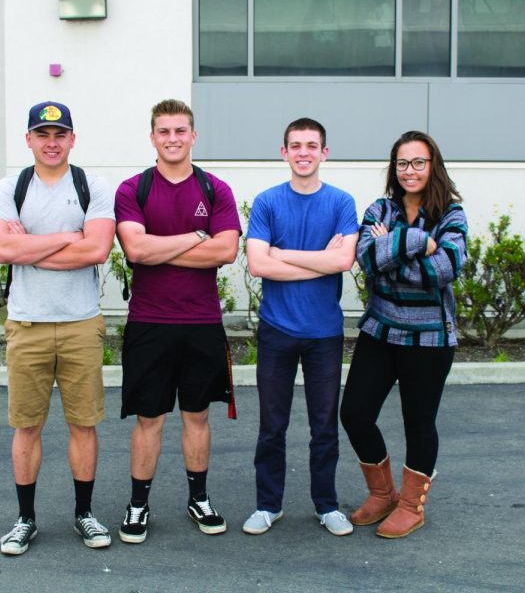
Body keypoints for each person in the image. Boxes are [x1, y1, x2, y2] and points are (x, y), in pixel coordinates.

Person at [0, 101, 116, 553]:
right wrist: (67, 236)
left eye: (60, 134)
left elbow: (97, 250)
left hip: (80, 323)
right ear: (28, 140)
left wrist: (30, 245)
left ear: (72, 139)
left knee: (84, 424)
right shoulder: (11, 187)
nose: (51, 142)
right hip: (27, 324)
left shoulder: (92, 186)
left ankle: (85, 514)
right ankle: (26, 519)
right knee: (27, 427)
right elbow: (3, 250)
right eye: (42, 134)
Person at [114, 99, 241, 544]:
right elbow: (136, 251)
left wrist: (160, 246)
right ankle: (137, 505)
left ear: (193, 136)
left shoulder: (215, 189)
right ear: (153, 137)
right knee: (149, 419)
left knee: (197, 416)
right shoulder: (134, 189)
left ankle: (199, 499)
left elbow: (225, 251)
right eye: (164, 131)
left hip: (202, 323)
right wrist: (193, 238)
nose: (172, 139)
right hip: (150, 322)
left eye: (180, 131)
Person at [340, 130, 467, 538]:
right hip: (381, 331)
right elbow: (366, 259)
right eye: (402, 163)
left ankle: (412, 505)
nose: (409, 171)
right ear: (393, 168)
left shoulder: (452, 214)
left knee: (419, 422)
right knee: (355, 413)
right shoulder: (381, 208)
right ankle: (383, 494)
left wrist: (392, 249)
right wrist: (418, 241)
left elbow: (443, 270)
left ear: (433, 166)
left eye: (418, 162)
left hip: (429, 339)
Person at [242, 118, 359, 537]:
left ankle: (327, 505)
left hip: (324, 333)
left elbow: (343, 261)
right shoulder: (268, 202)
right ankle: (267, 505)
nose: (304, 152)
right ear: (284, 152)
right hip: (277, 331)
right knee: (272, 425)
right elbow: (258, 265)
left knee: (324, 425)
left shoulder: (342, 202)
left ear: (324, 153)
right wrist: (317, 261)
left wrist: (284, 255)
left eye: (312, 145)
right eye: (296, 145)